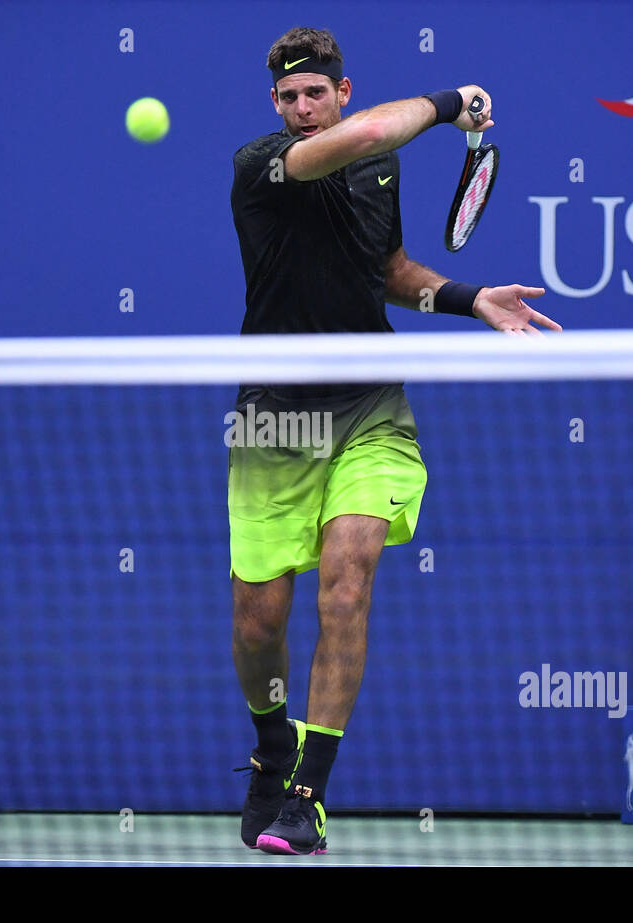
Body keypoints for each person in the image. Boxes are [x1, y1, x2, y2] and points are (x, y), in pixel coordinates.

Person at [229, 26, 559, 855]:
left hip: (370, 408)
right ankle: (273, 751)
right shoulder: (263, 164)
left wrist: (471, 297)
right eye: (289, 97)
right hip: (276, 419)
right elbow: (373, 131)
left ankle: (306, 798)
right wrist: (454, 104)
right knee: (258, 624)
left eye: (317, 93)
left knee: (346, 586)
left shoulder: (382, 167)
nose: (303, 108)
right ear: (277, 106)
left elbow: (391, 271)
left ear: (342, 88)